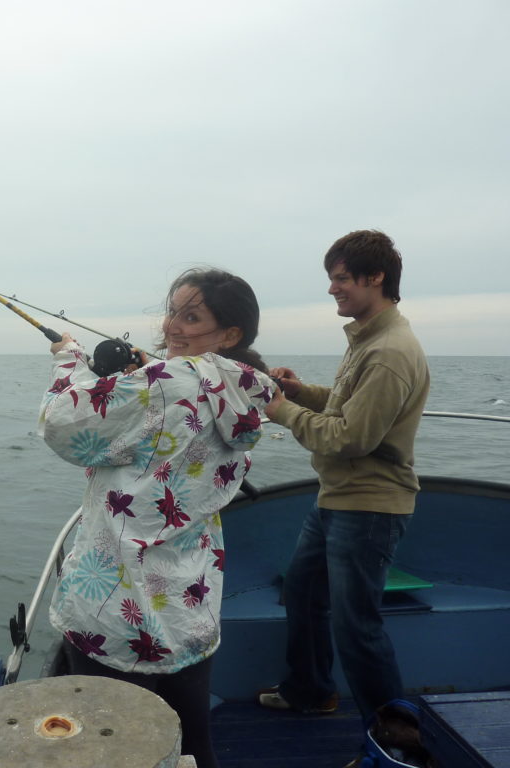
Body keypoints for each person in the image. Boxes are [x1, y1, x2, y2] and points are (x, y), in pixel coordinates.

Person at [40, 268, 275, 768]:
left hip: (116, 607)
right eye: (173, 311)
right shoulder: (247, 389)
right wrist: (151, 373)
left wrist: (69, 360)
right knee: (193, 743)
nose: (172, 325)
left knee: (111, 745)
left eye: (191, 317)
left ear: (230, 334)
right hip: (190, 608)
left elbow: (62, 422)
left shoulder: (164, 383)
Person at [259, 231, 430, 743]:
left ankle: (396, 743)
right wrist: (300, 392)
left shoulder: (389, 351)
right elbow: (345, 403)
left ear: (374, 278)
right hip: (337, 500)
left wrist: (281, 411)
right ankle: (309, 690)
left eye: (340, 278)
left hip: (370, 507)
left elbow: (351, 438)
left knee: (357, 628)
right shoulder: (369, 339)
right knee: (304, 591)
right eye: (331, 279)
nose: (333, 289)